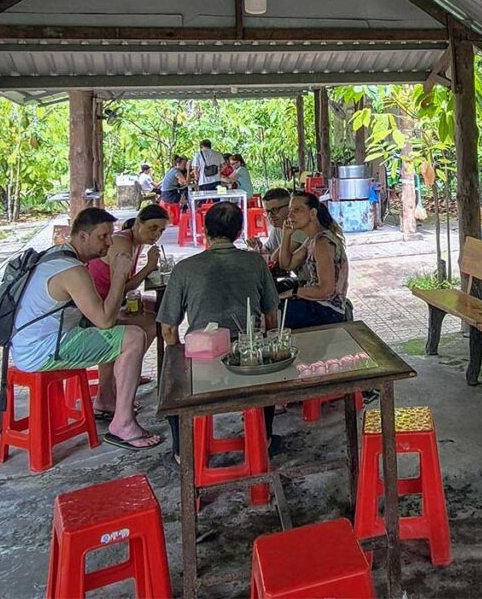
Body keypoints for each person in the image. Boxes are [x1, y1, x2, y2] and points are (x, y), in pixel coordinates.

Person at [9, 207, 162, 450]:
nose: (109, 242)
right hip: (44, 349)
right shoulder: (73, 270)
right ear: (82, 237)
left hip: (32, 344)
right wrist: (120, 277)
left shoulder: (56, 256)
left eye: (110, 236)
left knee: (127, 328)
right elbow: (104, 321)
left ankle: (106, 399)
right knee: (132, 337)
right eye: (102, 237)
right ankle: (122, 423)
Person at [157, 201, 281, 458]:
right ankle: (264, 437)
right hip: (248, 353)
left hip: (203, 354)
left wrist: (179, 358)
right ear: (238, 232)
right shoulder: (255, 263)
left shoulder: (185, 269)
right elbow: (271, 317)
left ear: (204, 230)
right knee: (265, 378)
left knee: (170, 386)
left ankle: (183, 451)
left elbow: (168, 329)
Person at [87, 204, 169, 385]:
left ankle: (129, 370)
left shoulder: (135, 242)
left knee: (154, 308)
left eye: (161, 231)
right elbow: (121, 287)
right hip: (98, 308)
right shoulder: (122, 243)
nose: (156, 234)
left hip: (112, 302)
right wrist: (148, 268)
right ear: (139, 223)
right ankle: (124, 374)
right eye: (152, 228)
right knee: (150, 322)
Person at [277, 192, 349, 329]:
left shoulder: (322, 243)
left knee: (275, 312)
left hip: (327, 309)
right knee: (278, 290)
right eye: (290, 210)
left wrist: (294, 292)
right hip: (318, 304)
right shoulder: (312, 240)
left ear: (312, 213)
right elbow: (286, 264)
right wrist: (286, 236)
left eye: (297, 210)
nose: (290, 215)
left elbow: (326, 290)